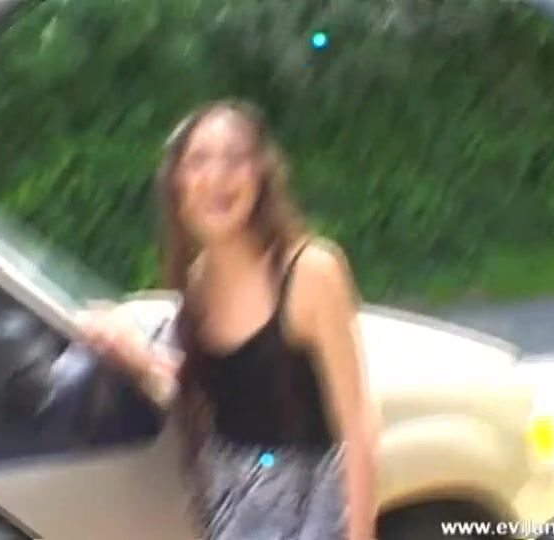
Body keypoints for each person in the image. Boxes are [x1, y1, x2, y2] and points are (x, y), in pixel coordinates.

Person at [75, 99, 379, 540]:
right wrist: (131, 353)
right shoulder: (197, 280)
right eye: (199, 161)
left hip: (311, 512)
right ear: (178, 183)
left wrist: (360, 532)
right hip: (229, 510)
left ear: (260, 175)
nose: (217, 177)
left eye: (235, 159)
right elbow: (219, 398)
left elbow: (358, 423)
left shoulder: (311, 272)